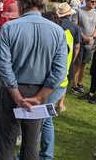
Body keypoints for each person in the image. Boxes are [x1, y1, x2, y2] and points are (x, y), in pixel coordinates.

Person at [0, 0, 67, 160]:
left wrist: (16, 94)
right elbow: (59, 71)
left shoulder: (9, 28)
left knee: (6, 140)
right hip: (40, 91)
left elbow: (4, 65)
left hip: (13, 90)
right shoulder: (57, 31)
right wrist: (40, 97)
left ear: (21, 5)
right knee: (31, 142)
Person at [38, 11, 73, 160]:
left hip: (53, 85)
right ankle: (45, 154)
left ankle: (35, 154)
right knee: (46, 120)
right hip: (61, 83)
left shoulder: (57, 37)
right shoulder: (67, 34)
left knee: (40, 120)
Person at [56, 2, 81, 112]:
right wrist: (74, 59)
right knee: (65, 79)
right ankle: (60, 103)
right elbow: (77, 46)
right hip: (68, 56)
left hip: (54, 54)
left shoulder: (54, 24)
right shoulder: (74, 27)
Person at [72, 0, 96, 94]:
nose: (94, 3)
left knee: (84, 64)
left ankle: (80, 83)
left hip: (90, 42)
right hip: (80, 41)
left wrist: (92, 37)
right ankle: (74, 84)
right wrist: (84, 37)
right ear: (86, 1)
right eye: (92, 1)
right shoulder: (78, 11)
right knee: (77, 63)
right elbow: (76, 25)